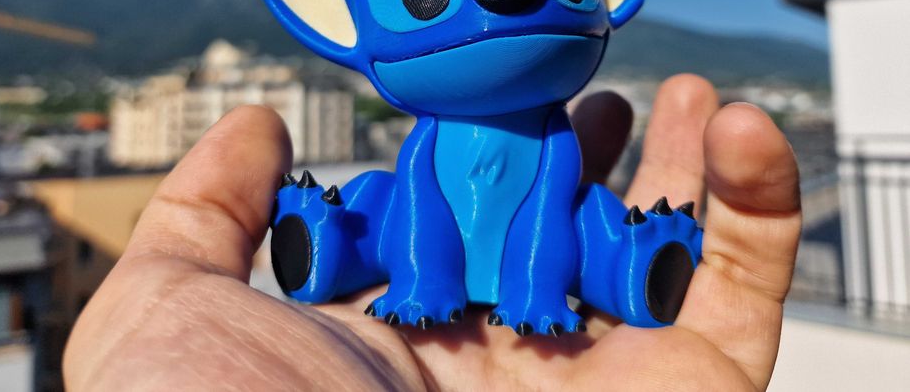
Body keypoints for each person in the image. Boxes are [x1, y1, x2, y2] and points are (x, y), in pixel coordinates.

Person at [64, 74, 801, 391]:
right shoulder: (429, 133)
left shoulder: (553, 134)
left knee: (588, 215)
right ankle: (331, 244)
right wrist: (422, 282)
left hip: (543, 261)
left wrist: (536, 292)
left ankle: (631, 268)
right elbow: (422, 201)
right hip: (418, 263)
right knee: (382, 198)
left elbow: (546, 210)